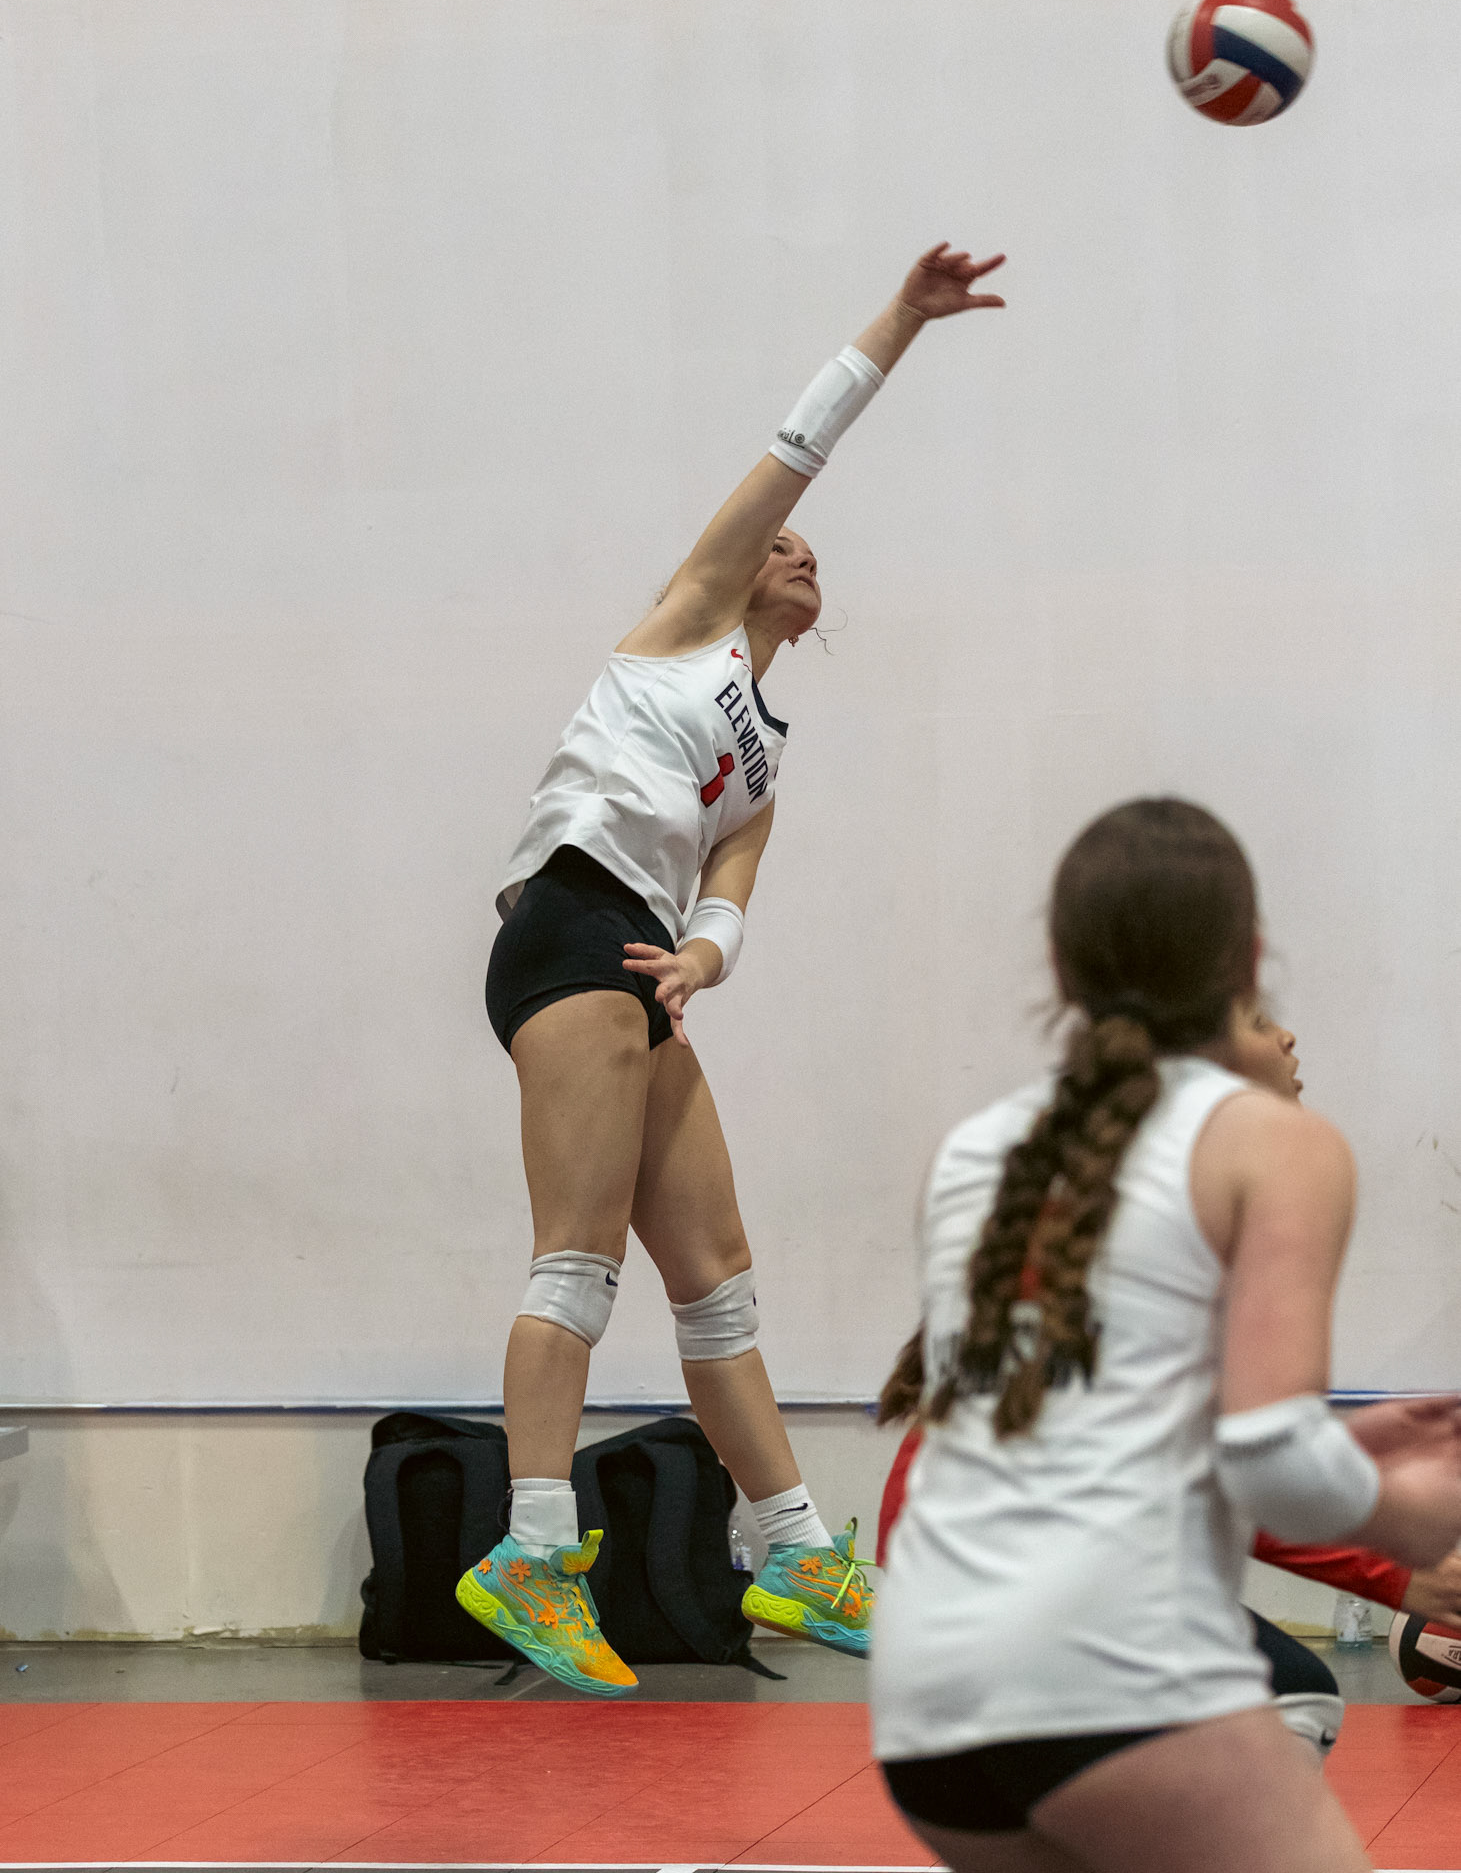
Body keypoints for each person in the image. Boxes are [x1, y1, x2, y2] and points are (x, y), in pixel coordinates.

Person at [456, 243, 1009, 1696]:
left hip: (637, 962)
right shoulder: (683, 625)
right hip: (568, 929)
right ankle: (529, 1544)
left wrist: (702, 956)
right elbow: (800, 443)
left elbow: (730, 893)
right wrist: (904, 318)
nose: (800, 553)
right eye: (782, 545)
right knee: (577, 1261)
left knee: (717, 1282)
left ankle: (794, 1550)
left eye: (810, 554)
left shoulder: (761, 759)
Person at [870, 796, 1461, 1872]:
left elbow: (1097, 1425)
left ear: (1060, 969)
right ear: (1250, 958)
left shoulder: (973, 1149)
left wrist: (1349, 1450)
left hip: (925, 1703)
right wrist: (1415, 1519)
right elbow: (1270, 1457)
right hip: (1104, 1673)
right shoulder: (1271, 1144)